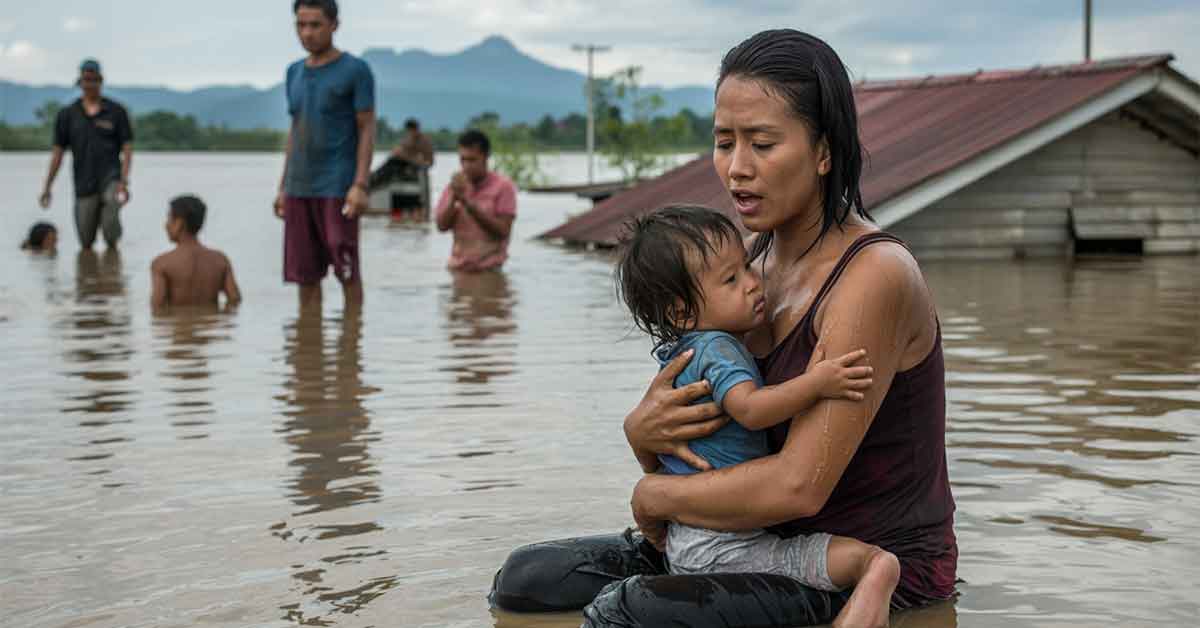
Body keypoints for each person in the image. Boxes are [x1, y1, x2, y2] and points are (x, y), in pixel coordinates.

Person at [489, 29, 957, 628]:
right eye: (723, 142)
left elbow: (799, 489)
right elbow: (700, 441)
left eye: (762, 143)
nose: (736, 169)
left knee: (625, 616)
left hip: (851, 562)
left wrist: (650, 496)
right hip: (739, 537)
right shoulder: (747, 266)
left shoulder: (873, 275)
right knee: (526, 582)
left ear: (824, 151)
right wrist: (639, 433)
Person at [614, 204, 896, 624]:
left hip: (690, 536)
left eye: (747, 267)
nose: (752, 283)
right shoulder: (719, 349)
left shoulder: (684, 350)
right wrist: (818, 383)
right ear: (682, 313)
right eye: (731, 279)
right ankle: (878, 574)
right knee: (859, 560)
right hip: (724, 545)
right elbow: (751, 410)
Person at [273, 0, 376, 309]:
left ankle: (350, 348)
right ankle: (309, 351)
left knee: (347, 271)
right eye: (300, 25)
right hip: (299, 186)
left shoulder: (355, 70)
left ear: (334, 25)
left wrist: (360, 184)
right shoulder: (293, 72)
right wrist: (282, 187)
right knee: (304, 276)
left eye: (315, 25)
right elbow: (295, 130)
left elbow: (367, 128)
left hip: (337, 185)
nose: (307, 33)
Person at [38, 58, 134, 250]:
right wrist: (48, 187)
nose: (90, 84)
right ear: (80, 82)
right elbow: (58, 153)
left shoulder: (116, 111)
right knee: (85, 240)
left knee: (110, 224)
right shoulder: (68, 114)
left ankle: (113, 262)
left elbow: (127, 148)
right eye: (86, 80)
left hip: (111, 177)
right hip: (83, 182)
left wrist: (124, 180)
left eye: (94, 80)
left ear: (100, 81)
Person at [434, 129, 517, 273]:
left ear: (486, 157)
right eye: (462, 160)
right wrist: (454, 198)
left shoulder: (503, 187)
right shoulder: (454, 186)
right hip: (458, 269)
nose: (466, 165)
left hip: (490, 270)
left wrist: (468, 204)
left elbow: (503, 231)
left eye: (472, 160)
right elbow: (441, 226)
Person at [150, 195, 241, 310]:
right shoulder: (220, 260)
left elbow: (157, 307)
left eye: (169, 219)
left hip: (179, 327)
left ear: (179, 223)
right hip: (211, 327)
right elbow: (234, 300)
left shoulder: (162, 264)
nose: (166, 225)